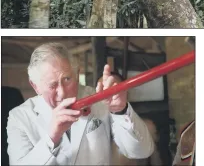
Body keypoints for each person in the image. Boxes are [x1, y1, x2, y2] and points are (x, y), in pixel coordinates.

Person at [7, 42, 154, 165]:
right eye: (52, 86)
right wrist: (52, 136)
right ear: (35, 86)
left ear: (77, 74)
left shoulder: (100, 99)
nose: (63, 93)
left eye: (67, 79)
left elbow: (142, 151)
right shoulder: (19, 117)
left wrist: (120, 110)